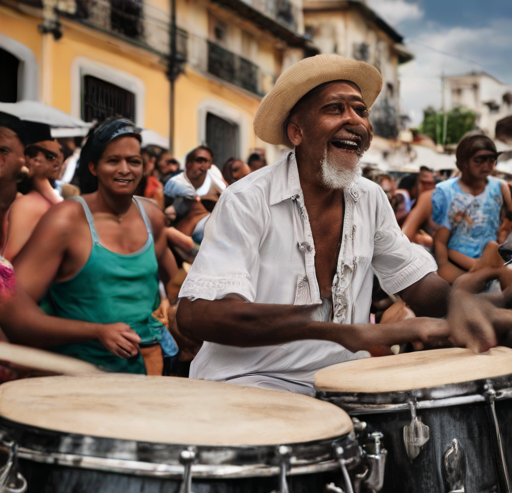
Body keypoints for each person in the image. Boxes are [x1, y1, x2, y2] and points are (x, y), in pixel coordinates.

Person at [174, 55, 509, 397]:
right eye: (335, 108)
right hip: (246, 386)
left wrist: (462, 304)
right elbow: (195, 316)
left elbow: (416, 282)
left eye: (361, 111)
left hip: (341, 385)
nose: (355, 120)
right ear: (296, 132)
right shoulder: (246, 199)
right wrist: (341, 333)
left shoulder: (370, 198)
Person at [13, 117, 179, 374]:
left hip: (146, 375)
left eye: (133, 161)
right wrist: (96, 331)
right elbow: (13, 309)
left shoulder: (152, 216)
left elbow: (177, 282)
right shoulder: (66, 219)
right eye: (113, 161)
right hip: (78, 376)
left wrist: (174, 311)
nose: (125, 170)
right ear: (93, 167)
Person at [432, 134, 512, 283]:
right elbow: (440, 243)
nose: (487, 166)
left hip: (491, 260)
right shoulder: (445, 191)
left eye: (492, 159)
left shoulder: (499, 187)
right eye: (480, 160)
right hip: (456, 262)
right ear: (464, 163)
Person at [4, 129, 63, 261]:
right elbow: (10, 259)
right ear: (28, 158)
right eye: (50, 157)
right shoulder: (28, 204)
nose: (57, 164)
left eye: (58, 157)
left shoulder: (35, 200)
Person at [164, 146, 226, 241]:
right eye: (199, 161)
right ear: (189, 164)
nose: (203, 165)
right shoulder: (175, 183)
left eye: (207, 161)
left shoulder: (215, 178)